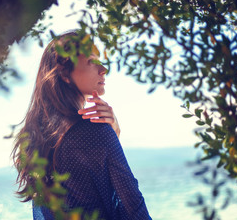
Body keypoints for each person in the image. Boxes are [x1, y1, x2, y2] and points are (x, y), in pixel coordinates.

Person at [12, 31, 152, 220]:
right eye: (92, 62)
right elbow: (133, 206)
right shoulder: (96, 132)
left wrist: (114, 132)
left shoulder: (35, 139)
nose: (103, 69)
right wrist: (112, 133)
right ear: (65, 74)